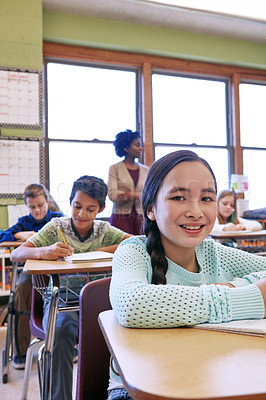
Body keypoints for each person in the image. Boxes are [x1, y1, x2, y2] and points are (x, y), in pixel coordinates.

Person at [108, 150, 266, 400]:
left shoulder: (213, 252)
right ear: (150, 208)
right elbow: (132, 304)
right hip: (138, 388)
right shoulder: (134, 251)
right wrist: (245, 296)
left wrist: (239, 286)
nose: (195, 211)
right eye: (179, 197)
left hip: (207, 375)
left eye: (206, 198)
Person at [11, 175, 130, 400]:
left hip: (99, 304)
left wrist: (102, 252)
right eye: (77, 206)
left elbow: (137, 242)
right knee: (62, 331)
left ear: (101, 208)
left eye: (90, 209)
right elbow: (17, 254)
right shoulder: (57, 226)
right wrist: (43, 251)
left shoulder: (104, 230)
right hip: (62, 300)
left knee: (119, 332)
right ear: (70, 202)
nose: (82, 214)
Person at [0, 183, 63, 370]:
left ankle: (67, 346)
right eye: (32, 207)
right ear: (27, 206)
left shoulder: (58, 219)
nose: (37, 210)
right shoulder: (25, 222)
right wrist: (20, 233)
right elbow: (3, 235)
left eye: (40, 205)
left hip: (56, 271)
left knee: (66, 295)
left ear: (47, 201)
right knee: (21, 293)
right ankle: (20, 352)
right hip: (31, 272)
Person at [108, 129, 149, 235]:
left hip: (141, 218)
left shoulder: (147, 170)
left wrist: (127, 194)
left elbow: (150, 194)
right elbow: (112, 195)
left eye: (141, 145)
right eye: (137, 145)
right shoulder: (115, 168)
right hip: (120, 218)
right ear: (126, 148)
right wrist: (138, 195)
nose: (141, 148)